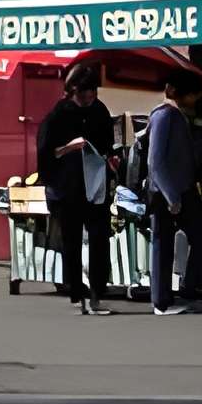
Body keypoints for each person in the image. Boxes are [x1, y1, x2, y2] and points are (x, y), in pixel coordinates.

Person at [35, 58, 119, 314]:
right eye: (82, 96)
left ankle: (96, 292)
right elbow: (46, 153)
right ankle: (76, 293)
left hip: (95, 185)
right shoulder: (58, 115)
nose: (87, 100)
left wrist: (112, 160)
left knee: (99, 240)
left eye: (91, 95)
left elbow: (108, 145)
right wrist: (69, 147)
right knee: (71, 241)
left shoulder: (100, 111)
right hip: (67, 187)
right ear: (72, 93)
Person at [144, 71, 202, 316]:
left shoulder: (179, 116)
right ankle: (161, 302)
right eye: (193, 95)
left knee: (201, 238)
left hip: (184, 188)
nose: (195, 100)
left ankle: (189, 292)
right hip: (166, 192)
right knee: (162, 245)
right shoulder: (164, 116)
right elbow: (156, 161)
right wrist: (171, 195)